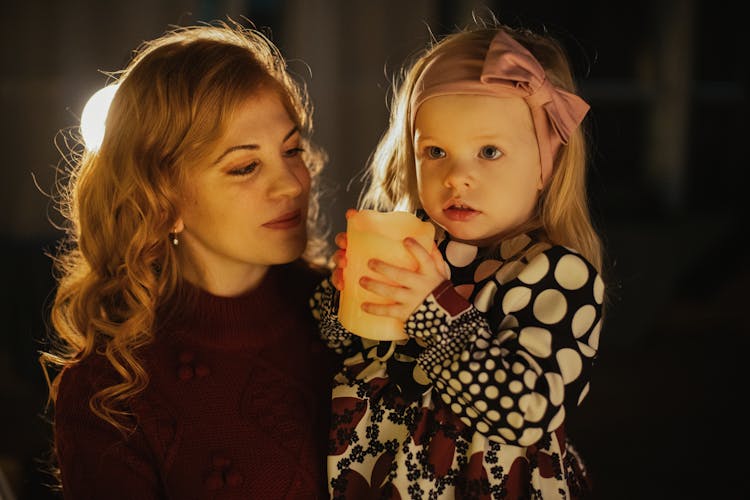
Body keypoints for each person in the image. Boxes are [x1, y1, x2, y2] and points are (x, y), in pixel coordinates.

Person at [311, 16, 606, 499]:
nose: (456, 177)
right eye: (435, 151)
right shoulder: (414, 247)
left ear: (545, 167)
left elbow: (525, 411)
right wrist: (343, 297)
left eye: (488, 151)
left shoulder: (556, 274)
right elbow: (342, 349)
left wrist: (434, 310)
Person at [40, 20, 337, 499]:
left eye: (292, 150)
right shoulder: (109, 392)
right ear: (163, 200)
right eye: (245, 166)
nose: (292, 184)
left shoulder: (354, 312)